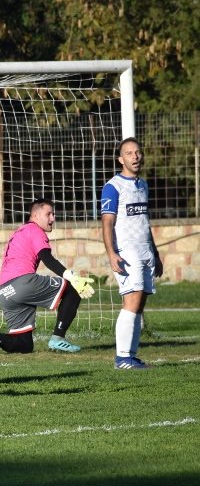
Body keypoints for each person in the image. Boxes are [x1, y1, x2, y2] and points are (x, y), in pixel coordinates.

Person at [0, 198, 96, 355]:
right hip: (22, 283)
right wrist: (71, 276)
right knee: (73, 288)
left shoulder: (19, 232)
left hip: (4, 292)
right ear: (36, 216)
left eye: (53, 214)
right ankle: (58, 338)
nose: (53, 218)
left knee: (24, 344)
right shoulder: (35, 230)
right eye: (49, 214)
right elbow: (47, 258)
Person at [101, 137, 164, 369]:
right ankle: (122, 358)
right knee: (132, 299)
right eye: (129, 153)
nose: (135, 156)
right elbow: (107, 223)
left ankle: (131, 355)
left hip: (145, 250)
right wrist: (111, 253)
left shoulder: (143, 185)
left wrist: (155, 253)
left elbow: (144, 222)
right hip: (126, 251)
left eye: (137, 152)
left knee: (140, 303)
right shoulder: (112, 187)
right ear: (121, 159)